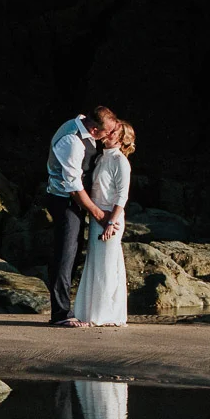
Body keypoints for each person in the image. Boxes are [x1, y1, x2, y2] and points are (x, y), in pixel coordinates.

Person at [44, 106, 121, 326]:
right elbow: (73, 187)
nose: (109, 135)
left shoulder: (81, 121)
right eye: (107, 132)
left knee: (74, 253)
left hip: (76, 200)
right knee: (65, 254)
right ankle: (60, 314)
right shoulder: (72, 141)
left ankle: (72, 307)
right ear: (95, 129)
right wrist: (98, 214)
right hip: (64, 200)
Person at [74, 121, 134, 326]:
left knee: (108, 265)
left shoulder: (120, 161)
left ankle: (105, 314)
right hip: (97, 217)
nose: (108, 134)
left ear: (121, 138)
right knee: (95, 263)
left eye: (114, 132)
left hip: (111, 220)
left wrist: (111, 222)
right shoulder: (100, 158)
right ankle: (90, 312)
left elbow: (122, 195)